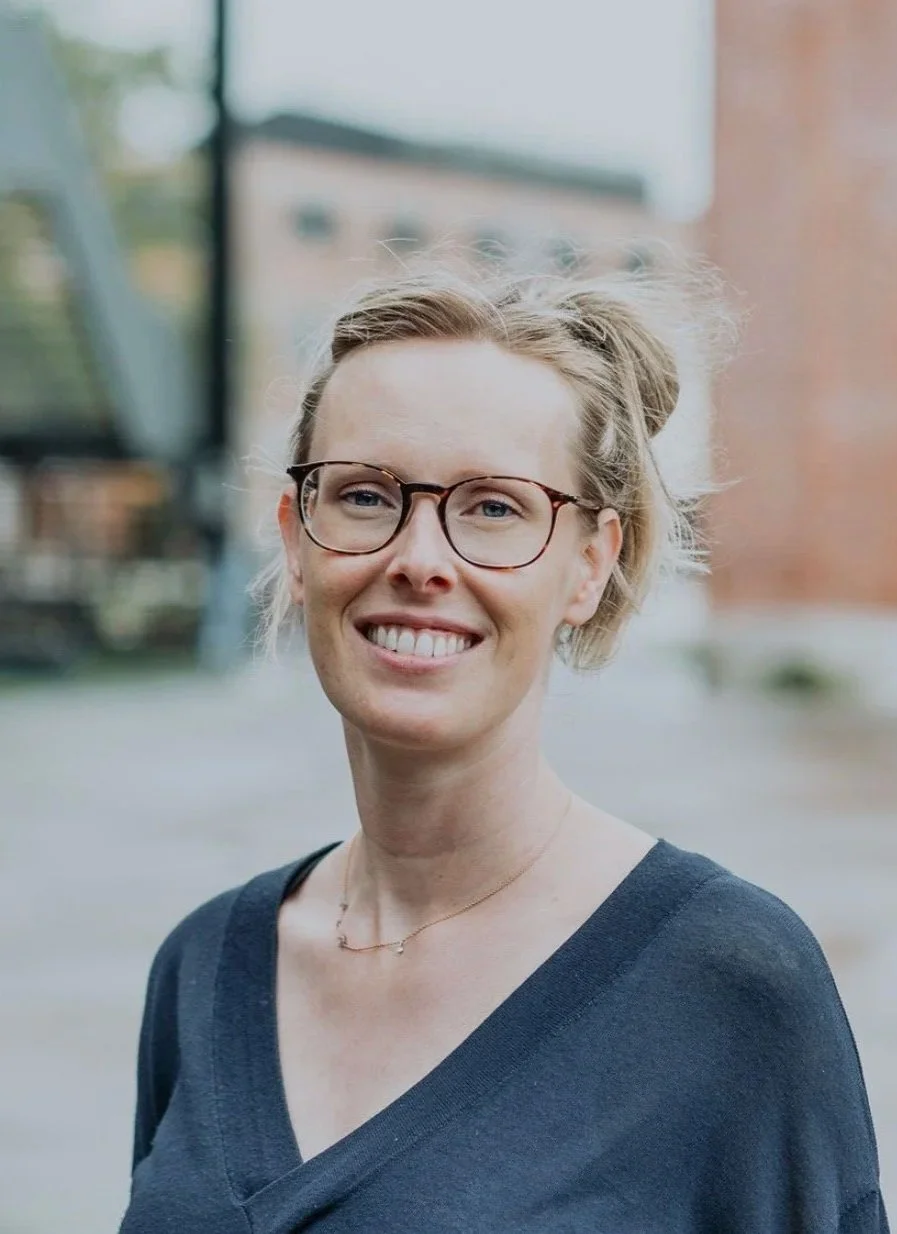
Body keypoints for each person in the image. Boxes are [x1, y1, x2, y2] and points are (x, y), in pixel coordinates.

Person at [118, 265, 889, 1233]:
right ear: (296, 539)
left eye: (493, 507)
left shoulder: (728, 984)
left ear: (590, 567)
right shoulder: (202, 967)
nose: (419, 559)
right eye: (364, 495)